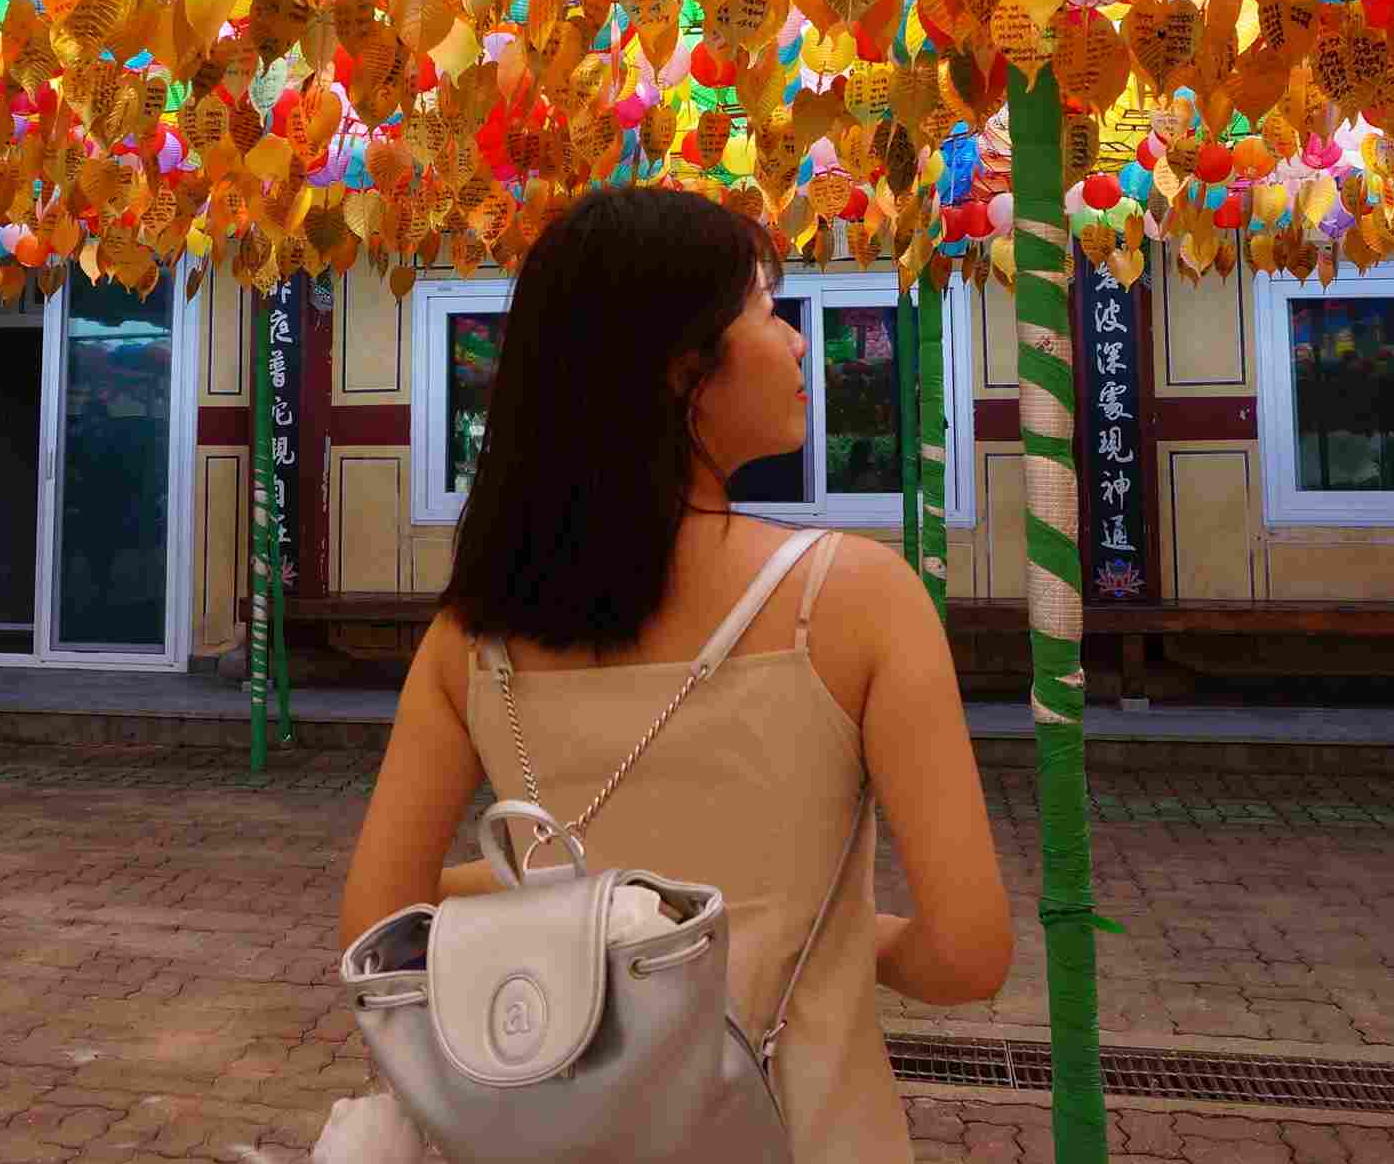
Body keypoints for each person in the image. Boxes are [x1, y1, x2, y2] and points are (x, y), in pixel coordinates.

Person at [336, 187, 1014, 1161]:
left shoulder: (471, 633)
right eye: (765, 308)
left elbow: (379, 919)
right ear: (679, 366)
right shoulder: (855, 596)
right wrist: (796, 926)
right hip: (802, 1128)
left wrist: (565, 905)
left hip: (558, 1127)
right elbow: (965, 954)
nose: (791, 342)